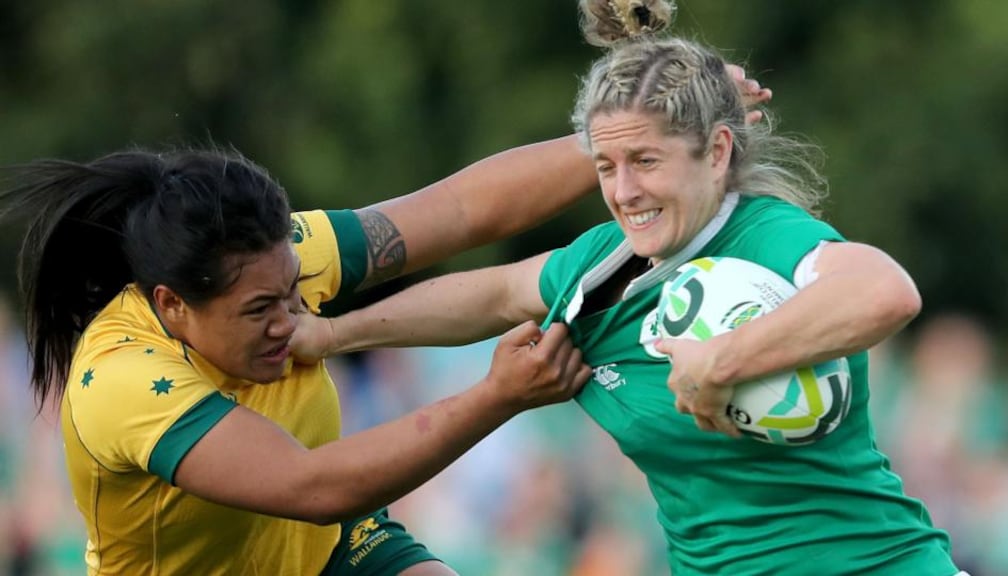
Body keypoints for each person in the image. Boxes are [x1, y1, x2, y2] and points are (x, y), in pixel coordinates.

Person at [292, 1, 964, 573]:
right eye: (606, 165)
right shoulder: (602, 267)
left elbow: (886, 291)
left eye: (646, 161)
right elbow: (495, 295)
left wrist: (723, 360)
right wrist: (329, 334)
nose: (624, 192)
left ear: (720, 152)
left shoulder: (765, 236)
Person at [0, 137, 599, 575]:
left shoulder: (274, 257)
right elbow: (314, 488)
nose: (291, 322)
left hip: (329, 551)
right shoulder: (122, 378)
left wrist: (615, 146)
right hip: (304, 511)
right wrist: (497, 396)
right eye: (261, 310)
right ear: (173, 305)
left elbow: (462, 210)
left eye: (293, 292)